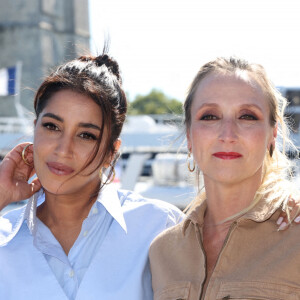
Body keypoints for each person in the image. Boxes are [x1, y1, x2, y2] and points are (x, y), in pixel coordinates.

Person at [0, 52, 184, 300]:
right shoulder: (4, 235)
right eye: (52, 127)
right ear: (35, 129)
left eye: (86, 135)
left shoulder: (160, 226)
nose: (63, 150)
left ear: (111, 152)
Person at [149, 57, 300, 299]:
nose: (227, 134)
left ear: (273, 134)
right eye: (210, 116)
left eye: (247, 116)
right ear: (189, 135)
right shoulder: (162, 252)